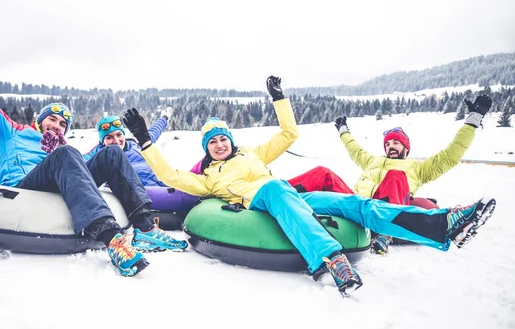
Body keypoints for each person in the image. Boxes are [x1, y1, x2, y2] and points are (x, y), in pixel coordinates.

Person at [122, 75, 497, 295]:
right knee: (274, 189)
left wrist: (279, 99)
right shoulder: (208, 177)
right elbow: (170, 177)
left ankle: (441, 225)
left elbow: (289, 133)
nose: (219, 144)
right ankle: (330, 259)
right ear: (207, 149)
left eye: (223, 139)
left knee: (357, 206)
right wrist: (145, 141)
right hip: (260, 200)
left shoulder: (251, 154)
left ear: (231, 141)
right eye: (212, 142)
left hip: (288, 195)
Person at [0, 16, 186, 277]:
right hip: (24, 185)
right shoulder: (12, 132)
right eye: (52, 119)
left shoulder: (64, 149)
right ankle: (113, 241)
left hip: (60, 181)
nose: (57, 126)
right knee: (66, 154)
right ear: (39, 120)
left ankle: (145, 229)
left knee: (112, 152)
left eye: (62, 124)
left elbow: (83, 167)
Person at [288, 96, 492, 255]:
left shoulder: (418, 168)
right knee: (322, 173)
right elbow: (355, 150)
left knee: (396, 176)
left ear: (406, 147)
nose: (390, 146)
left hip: (382, 213)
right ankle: (273, 195)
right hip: (354, 204)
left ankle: (384, 234)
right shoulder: (373, 161)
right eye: (387, 143)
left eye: (395, 143)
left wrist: (473, 121)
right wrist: (344, 130)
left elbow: (449, 156)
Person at [84, 109, 199, 215]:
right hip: (139, 193)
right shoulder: (100, 155)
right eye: (109, 137)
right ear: (102, 141)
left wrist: (164, 117)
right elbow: (78, 163)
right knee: (190, 198)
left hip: (162, 184)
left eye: (119, 135)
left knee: (196, 188)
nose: (116, 141)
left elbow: (153, 132)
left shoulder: (135, 144)